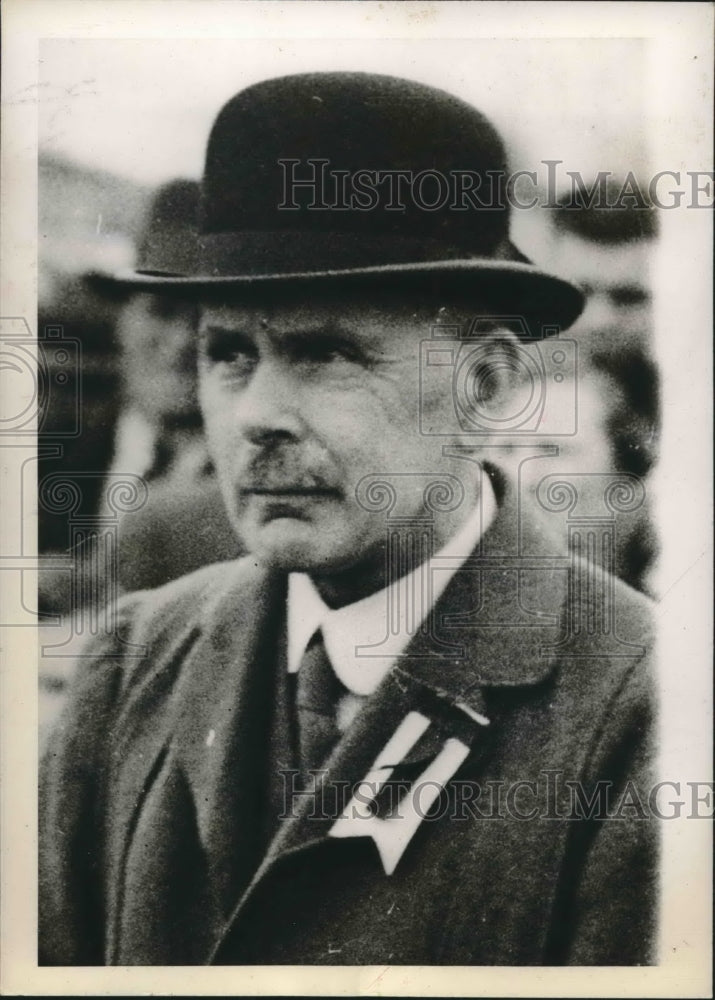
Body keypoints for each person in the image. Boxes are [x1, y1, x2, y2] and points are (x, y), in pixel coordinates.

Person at [39, 71, 657, 967]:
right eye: (229, 353)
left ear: (483, 388)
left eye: (324, 353)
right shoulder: (132, 661)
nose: (256, 414)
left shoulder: (646, 719)